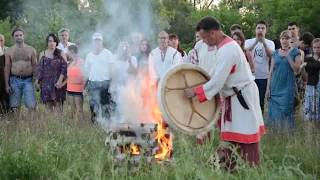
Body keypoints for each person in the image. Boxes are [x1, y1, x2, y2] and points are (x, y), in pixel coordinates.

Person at [185, 17, 265, 169]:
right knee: (231, 137)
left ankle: (251, 170)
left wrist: (195, 92)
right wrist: (197, 84)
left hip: (242, 97)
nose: (203, 41)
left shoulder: (228, 50)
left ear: (213, 33)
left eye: (204, 37)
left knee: (246, 136)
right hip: (234, 97)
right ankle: (222, 168)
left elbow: (217, 81)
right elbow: (213, 73)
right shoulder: (223, 47)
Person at [266, 30, 301, 130]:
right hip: (275, 85)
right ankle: (275, 131)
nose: (285, 41)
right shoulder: (275, 53)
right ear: (280, 40)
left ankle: (286, 132)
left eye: (287, 38)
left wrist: (288, 57)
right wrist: (268, 88)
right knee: (274, 110)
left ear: (291, 40)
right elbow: (271, 71)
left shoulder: (296, 53)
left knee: (286, 109)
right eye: (282, 38)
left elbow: (297, 69)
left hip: (288, 85)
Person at [4, 28, 37, 114]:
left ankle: (33, 124)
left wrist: (37, 81)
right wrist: (7, 84)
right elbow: (7, 67)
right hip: (14, 79)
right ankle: (16, 124)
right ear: (13, 37)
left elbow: (35, 66)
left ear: (23, 36)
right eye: (16, 35)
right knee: (15, 106)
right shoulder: (9, 51)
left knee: (31, 105)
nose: (19, 37)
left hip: (28, 80)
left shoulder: (31, 50)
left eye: (20, 35)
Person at [245, 20, 275, 114]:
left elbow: (271, 55)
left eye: (263, 28)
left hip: (263, 77)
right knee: (249, 101)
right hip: (250, 76)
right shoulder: (248, 41)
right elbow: (245, 53)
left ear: (266, 30)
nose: (260, 30)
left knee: (260, 101)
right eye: (258, 28)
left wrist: (264, 43)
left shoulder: (270, 43)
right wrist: (256, 42)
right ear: (255, 29)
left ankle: (260, 122)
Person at [84, 33, 114, 124]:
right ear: (92, 41)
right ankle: (95, 125)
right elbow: (87, 72)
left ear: (102, 41)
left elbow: (112, 70)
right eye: (95, 40)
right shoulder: (89, 55)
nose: (97, 42)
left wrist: (111, 85)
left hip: (105, 83)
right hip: (92, 83)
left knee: (106, 106)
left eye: (99, 40)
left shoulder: (108, 53)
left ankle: (106, 125)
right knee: (93, 106)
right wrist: (84, 86)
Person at [36, 34, 68, 112]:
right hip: (46, 83)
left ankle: (59, 123)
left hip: (58, 82)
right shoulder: (42, 54)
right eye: (50, 41)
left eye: (54, 41)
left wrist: (60, 81)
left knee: (58, 105)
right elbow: (40, 69)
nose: (52, 43)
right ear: (47, 42)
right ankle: (50, 123)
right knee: (48, 105)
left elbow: (65, 68)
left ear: (56, 43)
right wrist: (37, 82)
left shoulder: (60, 53)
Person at [62, 45, 85, 122]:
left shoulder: (81, 62)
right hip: (70, 88)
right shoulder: (71, 63)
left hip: (78, 88)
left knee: (79, 109)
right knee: (73, 108)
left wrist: (84, 88)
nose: (68, 54)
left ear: (73, 52)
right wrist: (63, 84)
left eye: (69, 52)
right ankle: (74, 124)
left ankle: (81, 124)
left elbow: (85, 75)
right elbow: (68, 76)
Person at [301, 38, 320, 122]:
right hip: (311, 86)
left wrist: (307, 64)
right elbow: (310, 70)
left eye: (318, 47)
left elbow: (317, 66)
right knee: (311, 106)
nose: (316, 49)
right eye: (314, 47)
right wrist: (308, 64)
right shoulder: (309, 59)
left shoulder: (308, 62)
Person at [0, 34, 10, 114]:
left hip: (5, 77)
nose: (0, 42)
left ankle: (6, 115)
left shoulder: (8, 50)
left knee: (6, 97)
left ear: (4, 41)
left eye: (1, 40)